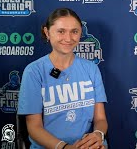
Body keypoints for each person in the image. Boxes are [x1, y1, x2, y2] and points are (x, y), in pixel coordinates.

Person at [18, 8, 108, 149]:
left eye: (74, 31)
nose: (68, 38)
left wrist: (98, 135)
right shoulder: (34, 71)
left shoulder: (91, 68)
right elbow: (34, 127)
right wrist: (65, 147)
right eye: (61, 31)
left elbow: (101, 119)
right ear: (47, 32)